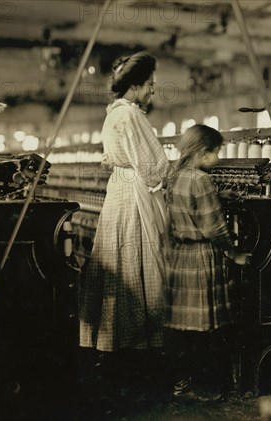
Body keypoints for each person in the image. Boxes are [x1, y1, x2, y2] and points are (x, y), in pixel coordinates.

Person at [79, 51, 170, 357]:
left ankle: (111, 340)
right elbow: (154, 164)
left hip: (118, 188)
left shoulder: (112, 114)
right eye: (149, 84)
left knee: (116, 259)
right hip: (133, 193)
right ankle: (139, 343)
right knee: (141, 260)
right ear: (135, 85)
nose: (153, 90)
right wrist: (169, 174)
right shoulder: (131, 114)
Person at [165, 124, 249, 401]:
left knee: (183, 325)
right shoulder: (202, 180)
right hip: (202, 258)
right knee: (208, 326)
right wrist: (233, 253)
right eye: (217, 151)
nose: (219, 158)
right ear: (203, 152)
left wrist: (218, 197)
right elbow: (214, 228)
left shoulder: (175, 175)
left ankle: (181, 383)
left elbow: (187, 209)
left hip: (180, 256)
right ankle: (211, 386)